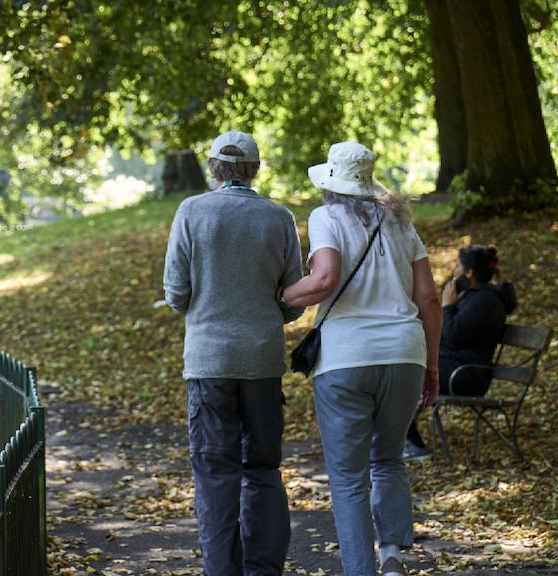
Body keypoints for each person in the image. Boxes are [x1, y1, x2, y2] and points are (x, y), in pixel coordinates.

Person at [281, 141, 442, 576]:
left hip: (345, 359)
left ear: (331, 182)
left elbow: (324, 279)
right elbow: (428, 298)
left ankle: (360, 570)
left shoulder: (325, 217)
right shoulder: (403, 224)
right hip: (405, 354)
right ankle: (391, 556)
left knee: (349, 478)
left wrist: (282, 295)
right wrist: (431, 365)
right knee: (388, 459)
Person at [164, 130, 304, 576]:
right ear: (256, 170)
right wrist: (267, 313)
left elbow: (175, 293)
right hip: (262, 360)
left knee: (215, 475)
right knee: (263, 469)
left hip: (209, 361)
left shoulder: (191, 212)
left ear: (213, 168)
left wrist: (206, 306)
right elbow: (294, 297)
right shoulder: (278, 218)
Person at [405, 245, 517, 457]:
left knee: (403, 374)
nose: (453, 270)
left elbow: (451, 335)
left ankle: (413, 445)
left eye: (456, 266)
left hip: (466, 376)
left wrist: (447, 306)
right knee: (399, 369)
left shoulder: (485, 301)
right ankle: (405, 441)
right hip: (456, 367)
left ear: (469, 273)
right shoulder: (474, 296)